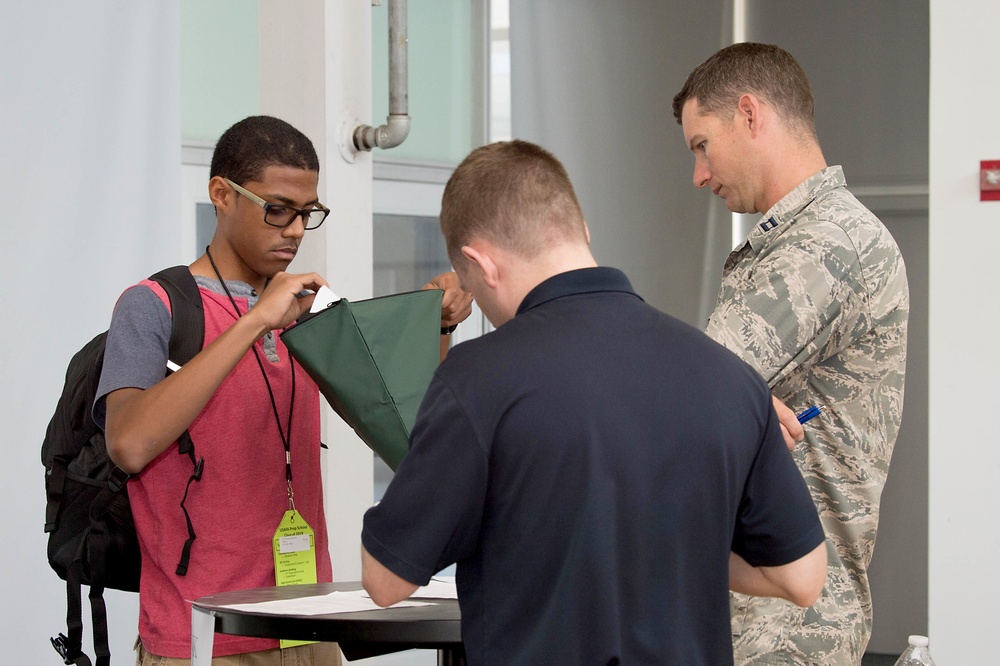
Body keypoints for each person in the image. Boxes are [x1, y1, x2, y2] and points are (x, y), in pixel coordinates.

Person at [360, 139, 827, 665]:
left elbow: (384, 580)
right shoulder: (730, 378)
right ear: (583, 230)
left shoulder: (479, 378)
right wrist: (664, 540)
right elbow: (801, 577)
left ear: (480, 264)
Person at [95, 115, 472, 665]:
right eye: (277, 209)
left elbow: (406, 431)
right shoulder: (154, 305)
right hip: (203, 636)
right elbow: (128, 444)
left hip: (308, 629)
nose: (294, 230)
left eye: (307, 214)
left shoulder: (308, 311)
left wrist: (437, 326)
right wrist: (253, 322)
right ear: (221, 195)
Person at [672, 42, 910, 664]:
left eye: (701, 144)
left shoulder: (830, 245)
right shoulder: (792, 245)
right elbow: (704, 391)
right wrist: (741, 403)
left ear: (750, 115)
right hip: (759, 614)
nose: (698, 174)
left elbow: (679, 393)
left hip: (785, 631)